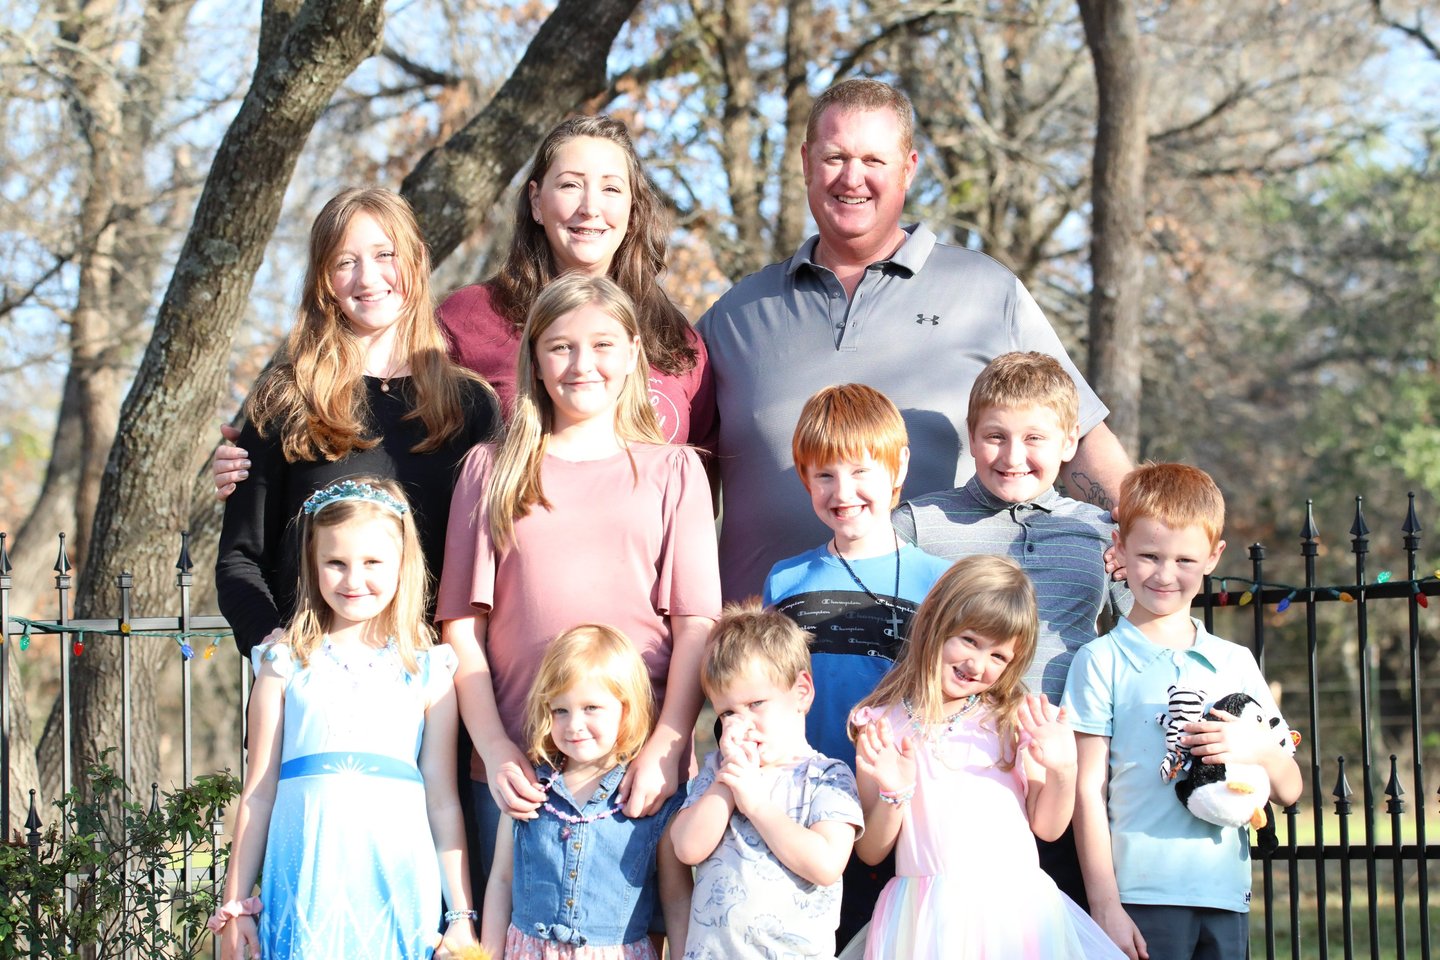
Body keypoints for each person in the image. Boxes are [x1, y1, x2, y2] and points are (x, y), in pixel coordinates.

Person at [696, 78, 1132, 602]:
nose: (852, 177)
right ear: (807, 162)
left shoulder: (985, 293)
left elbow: (1078, 434)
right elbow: (674, 473)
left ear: (908, 168)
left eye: (873, 160)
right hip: (766, 640)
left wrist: (1145, 531)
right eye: (835, 157)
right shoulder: (735, 315)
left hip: (944, 637)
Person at [436, 274, 720, 887]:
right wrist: (494, 747)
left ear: (633, 354)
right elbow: (461, 628)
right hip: (520, 774)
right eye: (561, 346)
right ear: (535, 360)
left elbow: (696, 627)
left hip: (635, 770)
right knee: (512, 930)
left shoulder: (674, 471)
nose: (581, 364)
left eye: (602, 345)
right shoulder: (492, 470)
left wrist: (667, 746)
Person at [214, 187, 500, 658]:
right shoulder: (286, 397)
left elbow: (492, 565)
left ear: (417, 259)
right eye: (345, 262)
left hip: (433, 680)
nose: (368, 277)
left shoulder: (471, 404)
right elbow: (241, 559)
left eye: (385, 254)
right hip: (311, 675)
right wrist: (271, 646)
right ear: (324, 279)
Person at [210, 478, 478, 959]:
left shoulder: (429, 671)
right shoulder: (283, 664)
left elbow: (442, 801)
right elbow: (258, 793)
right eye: (336, 563)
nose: (354, 580)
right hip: (304, 887)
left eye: (373, 562)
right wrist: (236, 905)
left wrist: (460, 916)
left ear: (402, 564)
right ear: (312, 565)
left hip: (397, 889)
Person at [1065, 464, 1302, 960]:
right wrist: (1105, 905)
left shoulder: (1236, 662)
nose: (1165, 574)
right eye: (1149, 555)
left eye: (1184, 559)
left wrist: (1259, 749)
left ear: (1213, 557)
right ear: (1119, 548)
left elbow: (1290, 788)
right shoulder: (1099, 660)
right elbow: (1088, 790)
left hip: (1226, 898)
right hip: (1138, 899)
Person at [848, 555, 1123, 959]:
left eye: (998, 656)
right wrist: (895, 794)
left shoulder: (1014, 718)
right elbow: (871, 851)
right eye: (970, 640)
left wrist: (1063, 769)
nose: (977, 665)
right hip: (925, 921)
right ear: (935, 620)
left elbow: (1047, 827)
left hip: (1014, 917)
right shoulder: (881, 724)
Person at [761, 382, 951, 945]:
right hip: (805, 813)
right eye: (824, 475)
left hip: (901, 812)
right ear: (805, 479)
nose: (843, 492)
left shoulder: (939, 582)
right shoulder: (786, 580)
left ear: (899, 468)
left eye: (861, 471)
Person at [439, 114, 711, 442]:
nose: (590, 207)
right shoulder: (468, 318)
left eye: (611, 188)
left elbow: (702, 467)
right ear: (536, 201)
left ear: (633, 210)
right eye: (570, 185)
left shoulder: (677, 340)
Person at [481, 624, 692, 959]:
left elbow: (677, 899)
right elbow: (502, 880)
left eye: (591, 708)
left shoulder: (649, 800)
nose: (574, 725)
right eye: (560, 710)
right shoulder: (529, 790)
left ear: (626, 708)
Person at [670, 601, 863, 960]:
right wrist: (728, 782)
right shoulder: (719, 773)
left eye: (756, 703)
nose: (741, 723)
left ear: (801, 692)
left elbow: (825, 864)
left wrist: (757, 805)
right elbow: (687, 848)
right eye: (728, 712)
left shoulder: (826, 776)